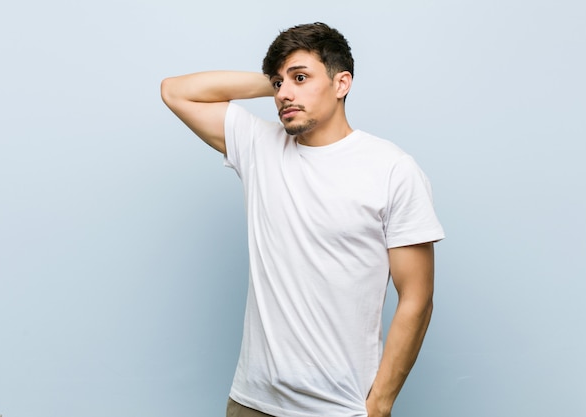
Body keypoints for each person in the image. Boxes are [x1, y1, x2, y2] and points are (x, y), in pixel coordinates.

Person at [161, 22, 444, 417]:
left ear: (341, 83)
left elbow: (417, 298)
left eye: (301, 77)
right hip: (251, 403)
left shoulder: (392, 169)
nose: (284, 94)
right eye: (279, 83)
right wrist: (278, 82)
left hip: (339, 408)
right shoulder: (260, 146)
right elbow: (175, 91)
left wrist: (379, 404)